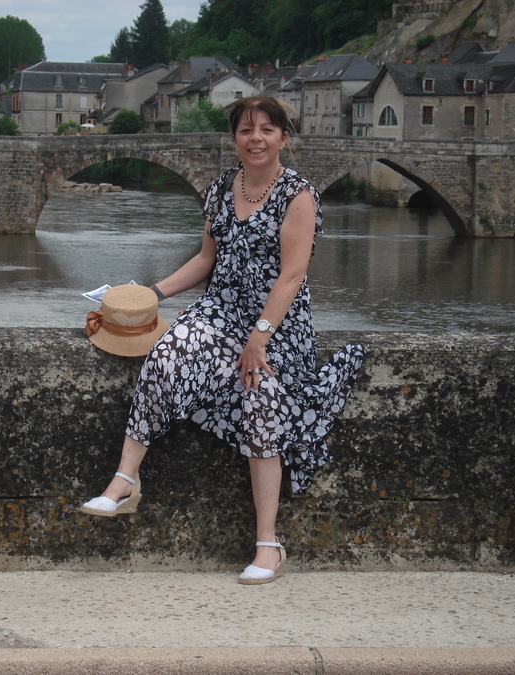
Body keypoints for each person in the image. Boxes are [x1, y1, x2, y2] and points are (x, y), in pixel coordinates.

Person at [80, 95, 365, 585]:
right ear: (234, 137)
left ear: (283, 138)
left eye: (267, 130)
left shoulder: (298, 196)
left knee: (262, 401)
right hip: (221, 311)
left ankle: (267, 544)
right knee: (167, 354)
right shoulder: (218, 190)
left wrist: (259, 339)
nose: (256, 139)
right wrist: (150, 292)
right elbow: (206, 259)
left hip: (278, 324)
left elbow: (291, 277)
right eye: (246, 130)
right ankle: (125, 481)